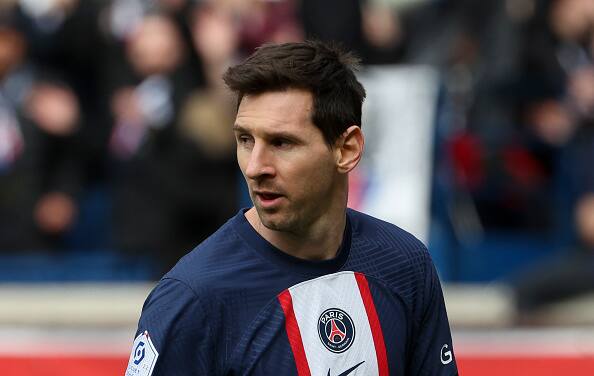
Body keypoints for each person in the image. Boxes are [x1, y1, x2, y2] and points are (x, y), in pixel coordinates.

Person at [125, 40, 458, 376]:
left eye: (282, 142)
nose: (256, 166)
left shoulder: (404, 264)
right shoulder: (192, 298)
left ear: (347, 149)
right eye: (245, 140)